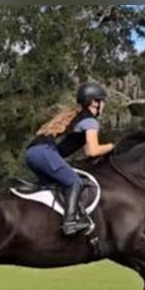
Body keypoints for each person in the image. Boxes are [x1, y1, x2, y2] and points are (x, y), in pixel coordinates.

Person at [24, 82, 115, 235]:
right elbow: (92, 151)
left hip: (32, 153)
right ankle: (70, 223)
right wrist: (112, 147)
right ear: (94, 102)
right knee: (75, 182)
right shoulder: (90, 121)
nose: (103, 105)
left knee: (57, 187)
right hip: (45, 152)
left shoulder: (75, 117)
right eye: (102, 101)